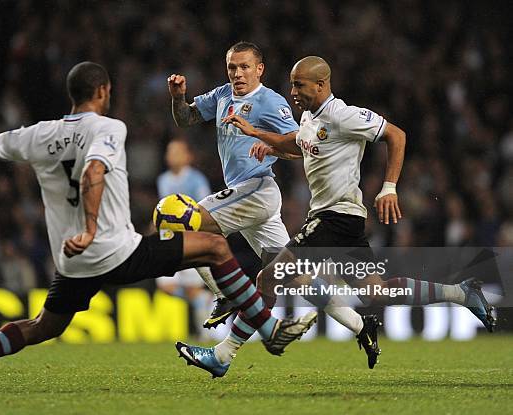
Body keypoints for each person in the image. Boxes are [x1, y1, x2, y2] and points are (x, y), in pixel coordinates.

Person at [0, 62, 318, 391]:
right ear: (103, 92)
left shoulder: (40, 134)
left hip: (72, 262)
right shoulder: (109, 128)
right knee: (214, 248)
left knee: (42, 326)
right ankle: (267, 327)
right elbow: (94, 169)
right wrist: (92, 227)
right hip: (115, 250)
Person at [181, 56, 495, 375]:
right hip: (345, 222)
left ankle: (222, 356)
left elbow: (396, 135)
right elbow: (297, 142)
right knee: (378, 291)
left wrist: (389, 187)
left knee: (268, 278)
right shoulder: (309, 117)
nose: (292, 91)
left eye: (299, 84)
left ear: (320, 85)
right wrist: (265, 140)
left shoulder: (344, 115)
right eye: (291, 83)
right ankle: (462, 292)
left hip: (332, 220)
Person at [170, 44, 386, 375]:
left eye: (244, 67)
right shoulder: (221, 96)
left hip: (256, 189)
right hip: (251, 199)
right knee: (294, 278)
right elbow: (185, 118)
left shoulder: (271, 102)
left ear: (260, 69)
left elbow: (301, 145)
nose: (237, 74)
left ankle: (227, 294)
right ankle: (361, 325)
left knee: (186, 222)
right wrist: (178, 96)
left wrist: (266, 143)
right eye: (232, 67)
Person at [155, 137, 214, 338]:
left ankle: (205, 334)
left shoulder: (196, 179)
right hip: (169, 240)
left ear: (188, 156)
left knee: (192, 289)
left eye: (178, 152)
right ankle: (203, 301)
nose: (172, 156)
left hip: (191, 240)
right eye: (170, 152)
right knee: (165, 286)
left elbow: (203, 209)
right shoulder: (162, 179)